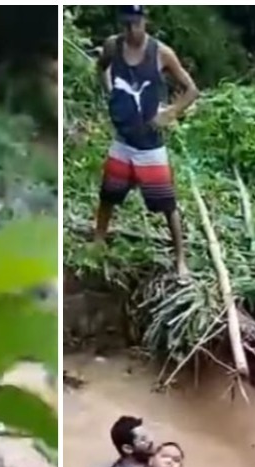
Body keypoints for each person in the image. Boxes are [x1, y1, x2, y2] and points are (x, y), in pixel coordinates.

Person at [93, 5, 199, 278]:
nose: (131, 30)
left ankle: (180, 260)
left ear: (144, 21)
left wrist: (171, 112)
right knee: (108, 194)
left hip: (150, 145)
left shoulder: (161, 53)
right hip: (123, 139)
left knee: (167, 204)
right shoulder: (113, 46)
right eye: (126, 24)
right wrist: (110, 93)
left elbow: (191, 90)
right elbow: (101, 67)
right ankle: (98, 241)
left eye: (136, 23)